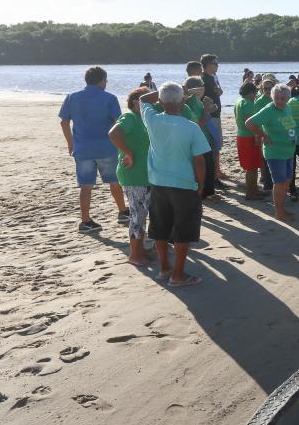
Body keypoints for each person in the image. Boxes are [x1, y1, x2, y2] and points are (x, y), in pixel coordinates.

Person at [139, 84, 211, 287]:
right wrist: (201, 183)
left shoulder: (152, 119)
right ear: (182, 102)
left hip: (158, 183)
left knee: (159, 227)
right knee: (183, 230)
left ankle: (164, 268)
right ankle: (177, 275)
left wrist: (171, 92)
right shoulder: (191, 127)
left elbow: (144, 99)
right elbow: (199, 160)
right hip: (183, 184)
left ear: (161, 102)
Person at [59, 66, 128, 232]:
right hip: (106, 147)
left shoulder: (72, 97)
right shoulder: (109, 98)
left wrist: (70, 142)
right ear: (102, 81)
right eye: (105, 80)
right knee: (114, 181)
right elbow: (118, 123)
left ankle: (85, 221)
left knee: (86, 186)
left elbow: (64, 122)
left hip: (82, 148)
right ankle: (123, 212)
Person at [109, 87, 152, 266]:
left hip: (145, 174)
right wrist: (128, 153)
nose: (152, 104)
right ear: (136, 102)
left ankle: (140, 248)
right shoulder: (130, 117)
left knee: (143, 212)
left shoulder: (145, 118)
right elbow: (113, 133)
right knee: (138, 214)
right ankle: (134, 254)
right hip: (133, 174)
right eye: (148, 100)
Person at [247, 83, 297, 221]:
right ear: (273, 97)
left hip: (288, 150)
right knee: (279, 182)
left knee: (287, 180)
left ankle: (282, 208)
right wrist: (263, 135)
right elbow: (249, 123)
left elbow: (290, 124)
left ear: (288, 98)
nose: (280, 101)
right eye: (277, 98)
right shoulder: (269, 110)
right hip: (275, 152)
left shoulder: (287, 107)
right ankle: (279, 212)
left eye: (283, 98)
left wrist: (293, 138)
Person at [183, 77, 218, 199]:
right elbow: (199, 123)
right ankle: (204, 194)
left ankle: (209, 192)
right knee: (203, 167)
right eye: (201, 87)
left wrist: (210, 107)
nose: (204, 89)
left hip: (204, 138)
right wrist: (206, 108)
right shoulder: (191, 101)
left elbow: (207, 112)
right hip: (198, 140)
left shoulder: (198, 100)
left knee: (209, 166)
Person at [234, 81, 265, 200]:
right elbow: (249, 122)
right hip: (249, 137)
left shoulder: (239, 101)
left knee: (252, 166)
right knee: (252, 167)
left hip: (242, 135)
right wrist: (258, 135)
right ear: (251, 92)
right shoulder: (247, 103)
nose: (256, 95)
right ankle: (251, 193)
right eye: (255, 92)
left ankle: (254, 190)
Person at [200, 54, 226, 182]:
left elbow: (219, 91)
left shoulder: (213, 77)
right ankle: (214, 177)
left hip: (216, 115)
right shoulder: (203, 79)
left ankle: (217, 171)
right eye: (215, 63)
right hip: (210, 116)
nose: (217, 66)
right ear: (208, 65)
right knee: (214, 146)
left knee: (217, 145)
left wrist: (220, 92)